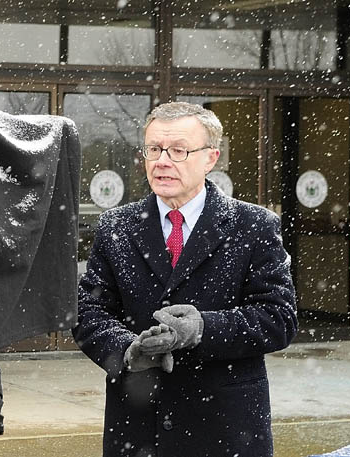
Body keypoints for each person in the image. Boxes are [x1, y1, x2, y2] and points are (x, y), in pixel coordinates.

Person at [72, 101, 298, 457]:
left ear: (211, 158)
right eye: (154, 149)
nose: (162, 160)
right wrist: (127, 350)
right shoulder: (115, 226)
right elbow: (88, 312)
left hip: (225, 428)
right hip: (139, 426)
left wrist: (202, 329)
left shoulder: (254, 226)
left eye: (178, 150)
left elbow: (278, 318)